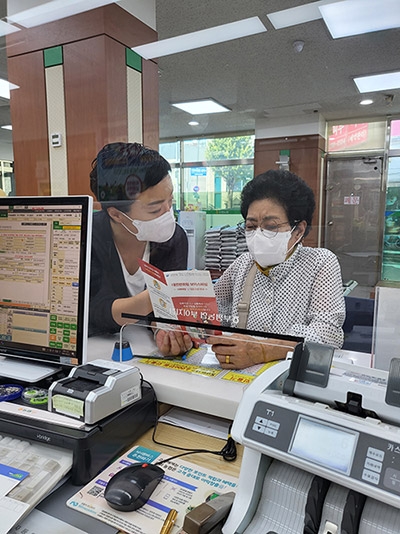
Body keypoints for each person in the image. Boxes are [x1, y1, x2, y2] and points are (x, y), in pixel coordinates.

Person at [156, 169, 345, 369]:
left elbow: (328, 334)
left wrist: (262, 349)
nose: (258, 235)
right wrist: (182, 335)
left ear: (297, 230)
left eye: (271, 226)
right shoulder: (243, 264)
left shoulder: (319, 263)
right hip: (238, 380)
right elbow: (211, 311)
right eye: (251, 226)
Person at [89, 142, 188, 337]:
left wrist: (163, 330)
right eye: (155, 209)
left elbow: (164, 314)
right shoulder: (86, 237)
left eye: (171, 201)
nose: (168, 215)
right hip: (97, 349)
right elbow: (91, 311)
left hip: (143, 350)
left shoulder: (174, 238)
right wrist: (154, 298)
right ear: (117, 214)